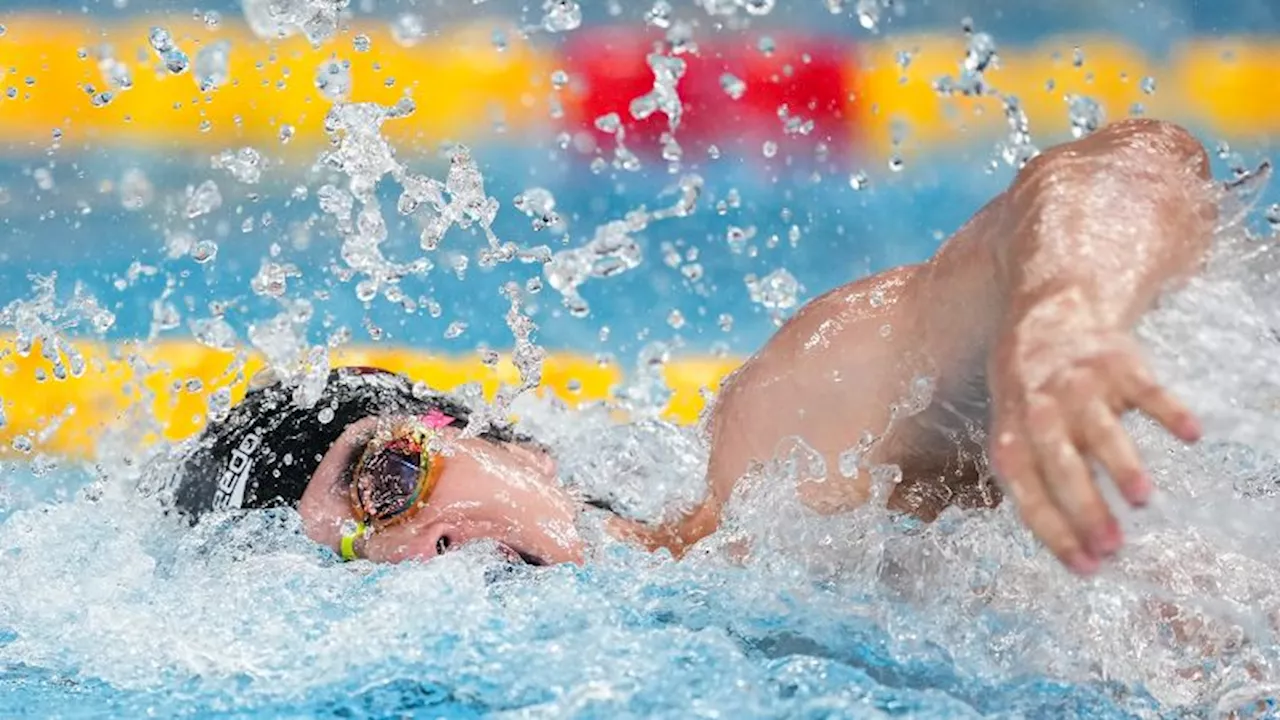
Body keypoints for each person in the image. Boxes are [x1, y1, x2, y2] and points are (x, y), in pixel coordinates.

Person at [171, 118, 1216, 576]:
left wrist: (1059, 314)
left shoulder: (782, 460)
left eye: (390, 481)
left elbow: (1133, 162)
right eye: (356, 572)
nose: (420, 554)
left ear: (499, 441)